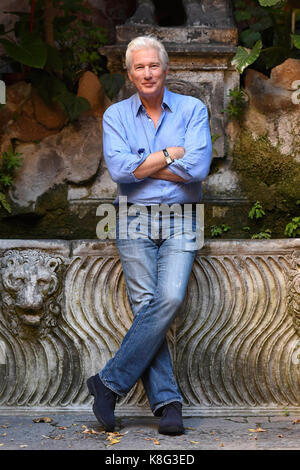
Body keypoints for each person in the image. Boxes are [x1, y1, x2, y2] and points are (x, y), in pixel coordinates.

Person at [87, 36, 212, 435]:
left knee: (169, 297)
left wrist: (144, 164)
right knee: (146, 305)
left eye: (153, 66)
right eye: (139, 67)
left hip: (183, 217)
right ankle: (168, 403)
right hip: (132, 219)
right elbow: (120, 172)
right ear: (129, 74)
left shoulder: (193, 109)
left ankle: (108, 384)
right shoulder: (116, 116)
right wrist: (172, 153)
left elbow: (198, 169)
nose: (147, 73)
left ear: (165, 68)